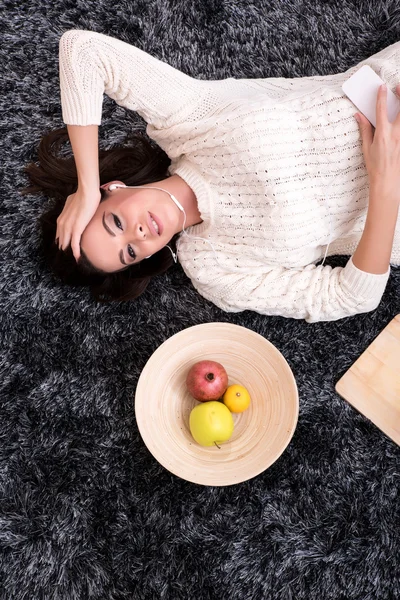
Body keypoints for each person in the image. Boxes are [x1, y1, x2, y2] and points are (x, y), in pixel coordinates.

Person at [26, 30, 400, 322]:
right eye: (129, 252)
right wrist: (384, 183)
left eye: (116, 221)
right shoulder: (213, 271)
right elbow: (352, 296)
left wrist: (85, 186)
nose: (137, 235)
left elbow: (82, 50)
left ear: (114, 188)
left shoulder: (187, 122)